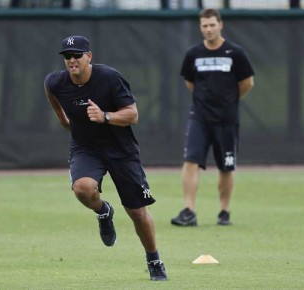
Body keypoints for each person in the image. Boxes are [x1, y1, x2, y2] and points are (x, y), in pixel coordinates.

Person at [44, 35, 167, 281]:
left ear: (89, 56)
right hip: (86, 148)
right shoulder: (56, 82)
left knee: (137, 212)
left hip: (121, 150)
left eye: (77, 55)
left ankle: (154, 260)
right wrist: (62, 119)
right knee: (82, 189)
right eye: (67, 57)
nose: (72, 60)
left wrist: (105, 117)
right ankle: (104, 212)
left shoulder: (110, 78)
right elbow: (52, 94)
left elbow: (132, 115)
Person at [171, 9, 254, 227]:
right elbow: (190, 83)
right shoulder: (193, 54)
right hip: (199, 118)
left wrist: (229, 102)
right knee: (190, 161)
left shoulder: (235, 53)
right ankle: (189, 211)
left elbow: (247, 83)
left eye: (212, 25)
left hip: (227, 120)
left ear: (220, 25)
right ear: (201, 27)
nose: (208, 29)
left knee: (226, 167)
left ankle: (224, 211)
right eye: (204, 26)